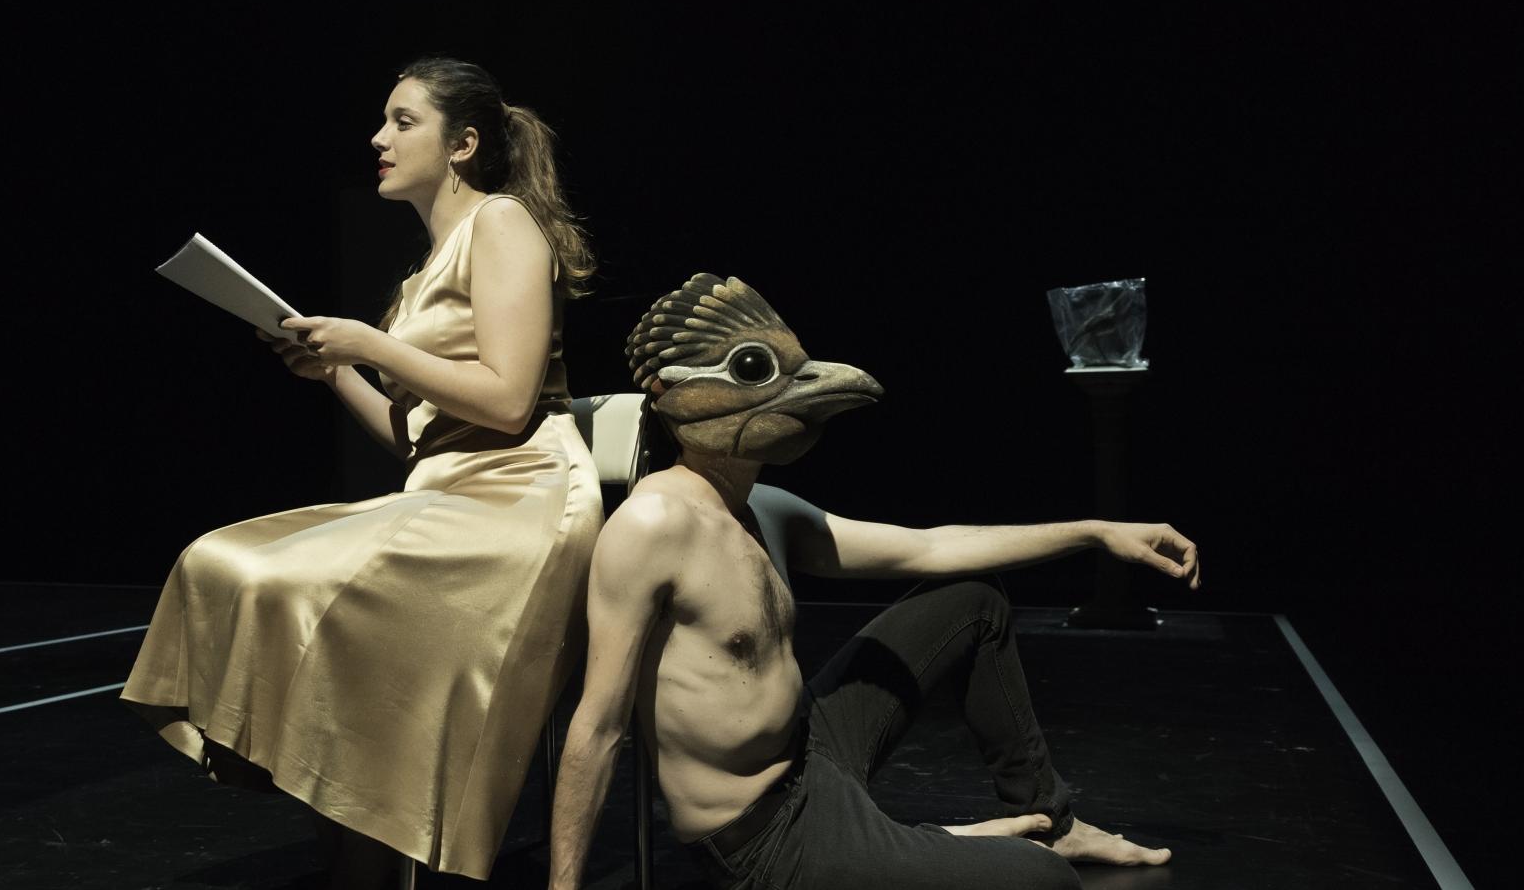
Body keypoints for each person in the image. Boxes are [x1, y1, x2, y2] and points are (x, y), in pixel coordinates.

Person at [549, 273, 1200, 890]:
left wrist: (1096, 530)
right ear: (669, 393)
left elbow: (932, 546)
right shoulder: (653, 525)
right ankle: (923, 844)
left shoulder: (761, 508)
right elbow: (598, 725)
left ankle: (1049, 821)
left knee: (973, 599)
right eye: (752, 369)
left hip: (812, 754)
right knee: (1044, 880)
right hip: (766, 837)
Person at [122, 58, 603, 888]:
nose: (379, 139)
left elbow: (508, 400)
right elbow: (418, 439)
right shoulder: (422, 274)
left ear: (463, 144)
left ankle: (366, 858)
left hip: (521, 497)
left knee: (284, 580)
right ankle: (358, 848)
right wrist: (334, 370)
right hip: (444, 490)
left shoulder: (501, 223)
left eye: (402, 121)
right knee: (223, 560)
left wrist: (370, 343)